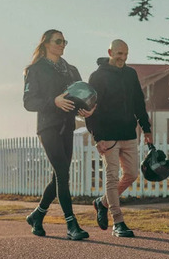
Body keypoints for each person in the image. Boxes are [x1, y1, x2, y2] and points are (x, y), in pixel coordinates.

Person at [23, 30, 93, 240]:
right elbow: (28, 102)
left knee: (59, 176)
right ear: (46, 43)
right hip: (48, 127)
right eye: (58, 41)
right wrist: (53, 101)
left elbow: (82, 95)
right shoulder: (35, 70)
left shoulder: (71, 70)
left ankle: (37, 215)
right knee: (63, 174)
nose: (63, 44)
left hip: (67, 127)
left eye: (65, 41)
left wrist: (87, 109)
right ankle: (71, 225)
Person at [85, 39, 153, 237]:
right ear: (110, 52)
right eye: (119, 54)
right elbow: (90, 110)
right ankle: (118, 221)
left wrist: (146, 129)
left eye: (125, 54)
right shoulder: (97, 77)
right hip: (107, 136)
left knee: (132, 174)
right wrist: (97, 137)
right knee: (112, 178)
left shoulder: (130, 74)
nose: (122, 58)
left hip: (128, 134)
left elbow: (138, 102)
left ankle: (102, 202)